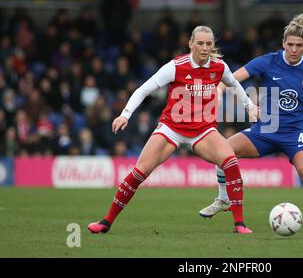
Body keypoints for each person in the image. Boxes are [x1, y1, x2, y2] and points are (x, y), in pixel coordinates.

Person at [88, 26, 259, 234]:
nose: (205, 48)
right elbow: (143, 90)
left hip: (203, 131)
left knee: (230, 161)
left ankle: (239, 223)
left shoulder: (219, 67)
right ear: (191, 44)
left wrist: (250, 106)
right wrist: (125, 114)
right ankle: (106, 221)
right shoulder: (176, 67)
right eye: (200, 43)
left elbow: (234, 85)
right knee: (140, 171)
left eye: (209, 44)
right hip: (171, 129)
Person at [199, 14, 303, 233]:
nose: (293, 49)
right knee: (223, 151)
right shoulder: (267, 61)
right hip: (266, 129)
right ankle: (223, 199)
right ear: (283, 43)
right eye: (290, 44)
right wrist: (218, 91)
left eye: (298, 45)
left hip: (296, 132)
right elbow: (232, 79)